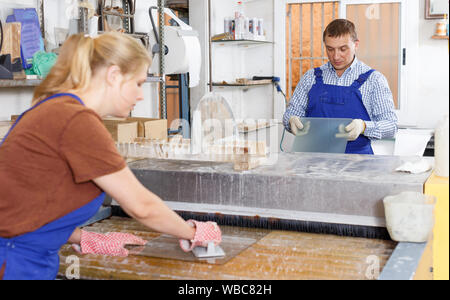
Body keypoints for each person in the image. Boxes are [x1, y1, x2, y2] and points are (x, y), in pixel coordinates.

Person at [0, 32, 221, 280]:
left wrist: (85, 237)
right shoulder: (77, 121)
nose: (141, 95)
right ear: (113, 75)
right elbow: (142, 206)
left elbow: (33, 205)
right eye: (138, 83)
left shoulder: (57, 107)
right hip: (14, 263)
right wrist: (193, 232)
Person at [283, 19, 398, 155]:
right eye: (330, 49)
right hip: (312, 161)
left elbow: (391, 125)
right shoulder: (311, 77)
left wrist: (364, 126)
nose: (336, 56)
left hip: (357, 164)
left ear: (356, 45)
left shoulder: (374, 80)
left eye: (343, 49)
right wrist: (291, 120)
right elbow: (291, 113)